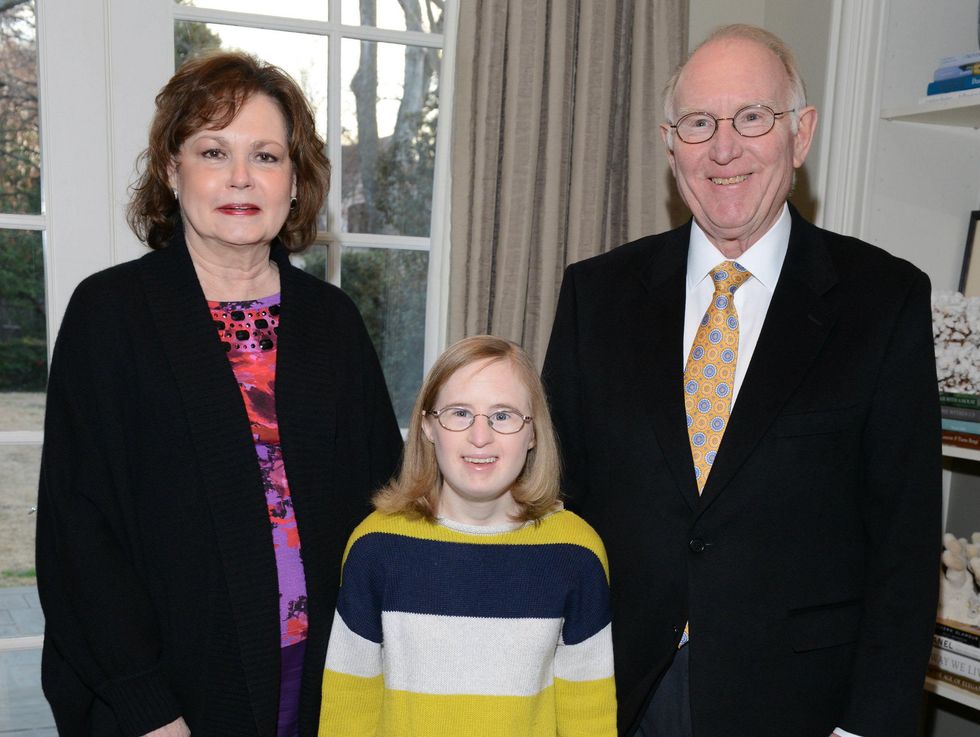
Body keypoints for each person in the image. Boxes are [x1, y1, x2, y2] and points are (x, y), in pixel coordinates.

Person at [542, 24, 941, 737]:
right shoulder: (595, 297)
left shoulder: (884, 301)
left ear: (801, 133)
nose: (723, 148)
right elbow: (551, 505)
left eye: (752, 117)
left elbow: (904, 548)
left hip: (801, 705)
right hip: (613, 693)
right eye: (699, 123)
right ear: (670, 145)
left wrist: (868, 727)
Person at [35, 51, 403, 737]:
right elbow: (79, 536)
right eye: (213, 150)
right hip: (165, 702)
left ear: (295, 182)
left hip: (323, 683)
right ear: (173, 173)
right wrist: (149, 709)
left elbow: (381, 503)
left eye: (266, 156)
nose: (240, 177)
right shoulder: (111, 315)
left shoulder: (332, 323)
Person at [317, 335, 617, 737]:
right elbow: (348, 704)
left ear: (533, 434)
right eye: (459, 413)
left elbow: (589, 713)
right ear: (426, 426)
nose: (480, 436)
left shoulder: (575, 552)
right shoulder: (375, 546)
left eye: (503, 415)